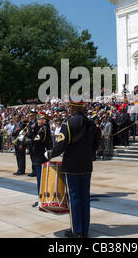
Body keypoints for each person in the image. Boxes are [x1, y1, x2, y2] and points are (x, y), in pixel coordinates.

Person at [46, 100, 101, 239]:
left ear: (73, 107)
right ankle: (85, 229)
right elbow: (96, 145)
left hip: (72, 166)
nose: (69, 109)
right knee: (85, 197)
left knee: (74, 197)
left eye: (70, 107)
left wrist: (50, 154)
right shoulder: (91, 124)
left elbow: (61, 145)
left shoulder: (69, 123)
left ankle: (77, 230)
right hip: (87, 165)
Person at [30, 112, 52, 208]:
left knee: (41, 179)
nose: (38, 121)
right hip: (37, 155)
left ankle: (41, 199)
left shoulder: (44, 129)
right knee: (40, 178)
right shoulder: (40, 128)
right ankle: (42, 198)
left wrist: (27, 140)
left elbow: (36, 140)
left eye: (40, 119)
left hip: (40, 156)